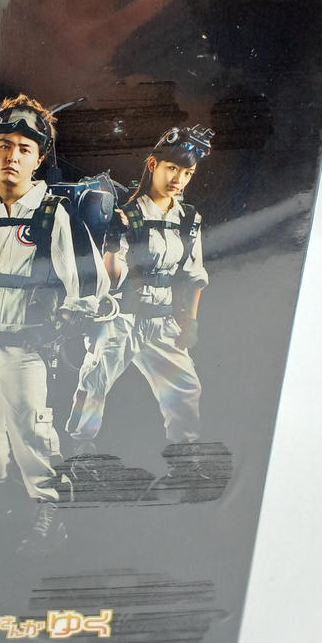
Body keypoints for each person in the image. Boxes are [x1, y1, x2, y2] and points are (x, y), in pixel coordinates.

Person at [0, 94, 112, 551]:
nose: (11, 156)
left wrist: (66, 323)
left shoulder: (53, 212)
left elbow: (89, 282)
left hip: (24, 343)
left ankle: (49, 507)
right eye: (2, 145)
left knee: (31, 429)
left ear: (39, 159)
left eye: (23, 148)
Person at [64, 125, 214, 498]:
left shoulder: (189, 218)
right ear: (153, 165)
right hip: (124, 315)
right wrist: (112, 241)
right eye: (172, 169)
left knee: (185, 387)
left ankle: (185, 462)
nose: (179, 179)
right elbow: (112, 275)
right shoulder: (126, 215)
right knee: (95, 380)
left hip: (163, 318)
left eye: (187, 173)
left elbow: (194, 276)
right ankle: (80, 455)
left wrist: (190, 321)